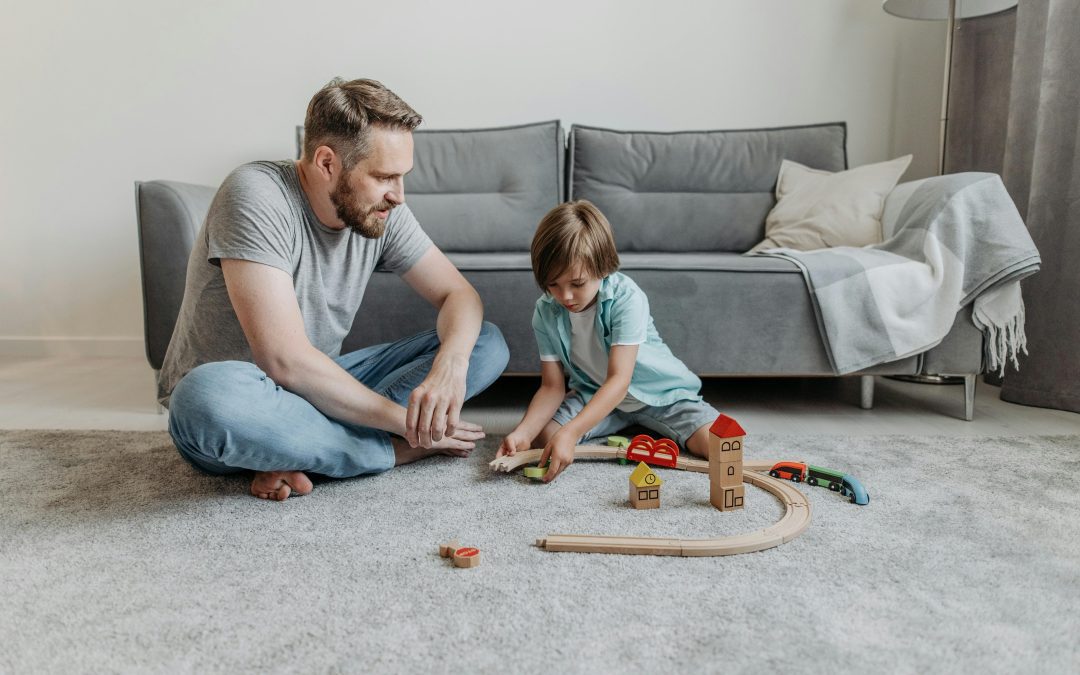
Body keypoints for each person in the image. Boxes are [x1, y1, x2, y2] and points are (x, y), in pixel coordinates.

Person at [162, 78, 509, 500]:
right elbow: (284, 361)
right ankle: (387, 453)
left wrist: (450, 365)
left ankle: (299, 451)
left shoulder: (383, 210)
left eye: (402, 176)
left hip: (322, 388)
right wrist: (406, 427)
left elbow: (460, 296)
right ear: (327, 163)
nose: (398, 196)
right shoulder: (255, 195)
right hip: (246, 397)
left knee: (485, 342)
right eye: (384, 176)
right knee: (202, 400)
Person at [497, 200, 720, 482]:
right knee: (547, 438)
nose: (565, 296)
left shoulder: (627, 298)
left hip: (660, 397)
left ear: (602, 268)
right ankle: (625, 425)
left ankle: (647, 424)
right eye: (553, 285)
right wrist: (523, 433)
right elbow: (552, 387)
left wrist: (573, 431)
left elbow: (619, 380)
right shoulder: (545, 311)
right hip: (593, 394)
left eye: (577, 284)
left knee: (720, 445)